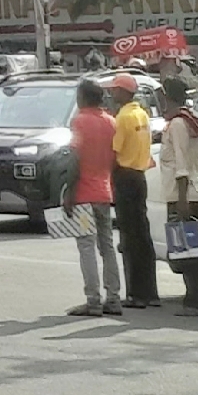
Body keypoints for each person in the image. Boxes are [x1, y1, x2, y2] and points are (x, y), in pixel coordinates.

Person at [63, 79, 123, 319]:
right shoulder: (111, 122)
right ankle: (114, 298)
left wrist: (69, 191)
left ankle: (93, 300)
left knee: (86, 246)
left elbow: (75, 159)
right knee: (107, 246)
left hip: (84, 195)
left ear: (84, 98)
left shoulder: (79, 121)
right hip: (104, 192)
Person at [159, 76, 198, 314]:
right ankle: (197, 299)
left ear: (167, 97)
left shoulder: (179, 125)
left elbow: (181, 163)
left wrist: (182, 200)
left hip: (184, 195)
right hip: (193, 192)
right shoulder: (187, 122)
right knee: (193, 250)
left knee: (191, 253)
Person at [112, 78, 158, 309]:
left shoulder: (123, 118)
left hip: (126, 177)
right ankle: (150, 292)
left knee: (129, 237)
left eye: (114, 90)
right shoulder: (142, 114)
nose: (112, 94)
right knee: (143, 235)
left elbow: (115, 151)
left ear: (123, 92)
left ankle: (136, 294)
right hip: (140, 177)